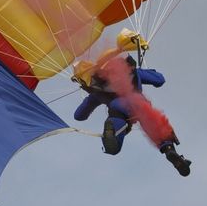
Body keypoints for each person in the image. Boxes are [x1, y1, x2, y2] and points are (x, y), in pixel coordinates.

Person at [72, 30, 192, 176]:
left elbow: (79, 115)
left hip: (117, 110)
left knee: (114, 140)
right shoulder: (135, 73)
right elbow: (160, 80)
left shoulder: (98, 91)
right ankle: (169, 150)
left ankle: (114, 133)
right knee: (154, 125)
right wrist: (143, 72)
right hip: (140, 105)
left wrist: (89, 93)